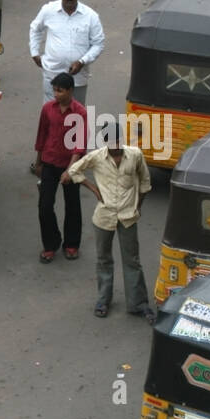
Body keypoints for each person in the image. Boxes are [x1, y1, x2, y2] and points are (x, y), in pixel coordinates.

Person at [62, 122, 155, 323]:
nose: (115, 146)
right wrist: (93, 188)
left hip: (128, 217)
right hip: (103, 217)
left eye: (118, 141)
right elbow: (74, 171)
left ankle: (138, 303)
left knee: (132, 260)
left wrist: (138, 206)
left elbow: (145, 183)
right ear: (105, 142)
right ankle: (104, 300)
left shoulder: (135, 155)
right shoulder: (97, 157)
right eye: (111, 142)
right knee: (104, 259)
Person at [34, 72, 87, 263]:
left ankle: (71, 245)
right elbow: (41, 135)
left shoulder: (80, 112)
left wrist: (70, 170)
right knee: (44, 206)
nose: (56, 94)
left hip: (70, 165)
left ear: (71, 90)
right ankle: (51, 244)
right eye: (54, 90)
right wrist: (38, 162)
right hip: (49, 162)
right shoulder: (48, 109)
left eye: (60, 91)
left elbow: (79, 145)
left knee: (72, 205)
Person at [29, 0, 105, 105]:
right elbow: (35, 29)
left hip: (78, 78)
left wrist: (82, 61)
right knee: (51, 113)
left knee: (75, 116)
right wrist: (34, 52)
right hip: (52, 72)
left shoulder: (91, 16)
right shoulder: (48, 10)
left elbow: (98, 43)